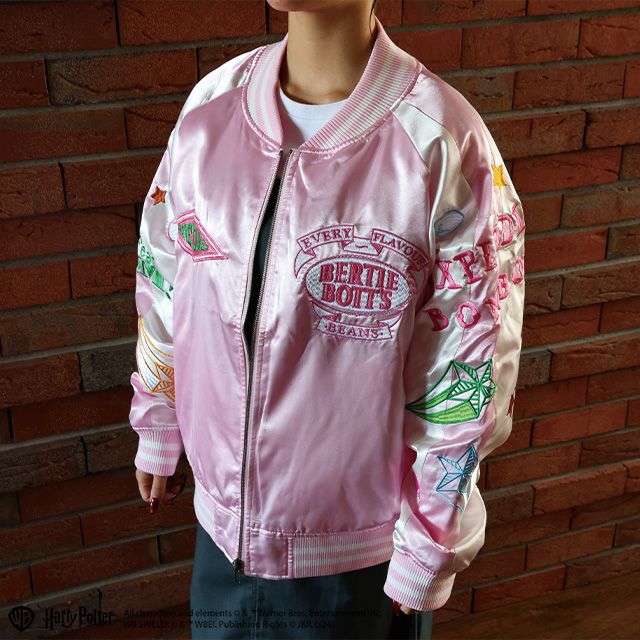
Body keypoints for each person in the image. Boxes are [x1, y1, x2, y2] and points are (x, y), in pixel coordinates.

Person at [129, 0, 526, 638]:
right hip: (220, 536)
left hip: (357, 560)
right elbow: (166, 274)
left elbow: (468, 366)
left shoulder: (440, 141)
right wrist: (159, 417)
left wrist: (430, 543)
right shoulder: (213, 108)